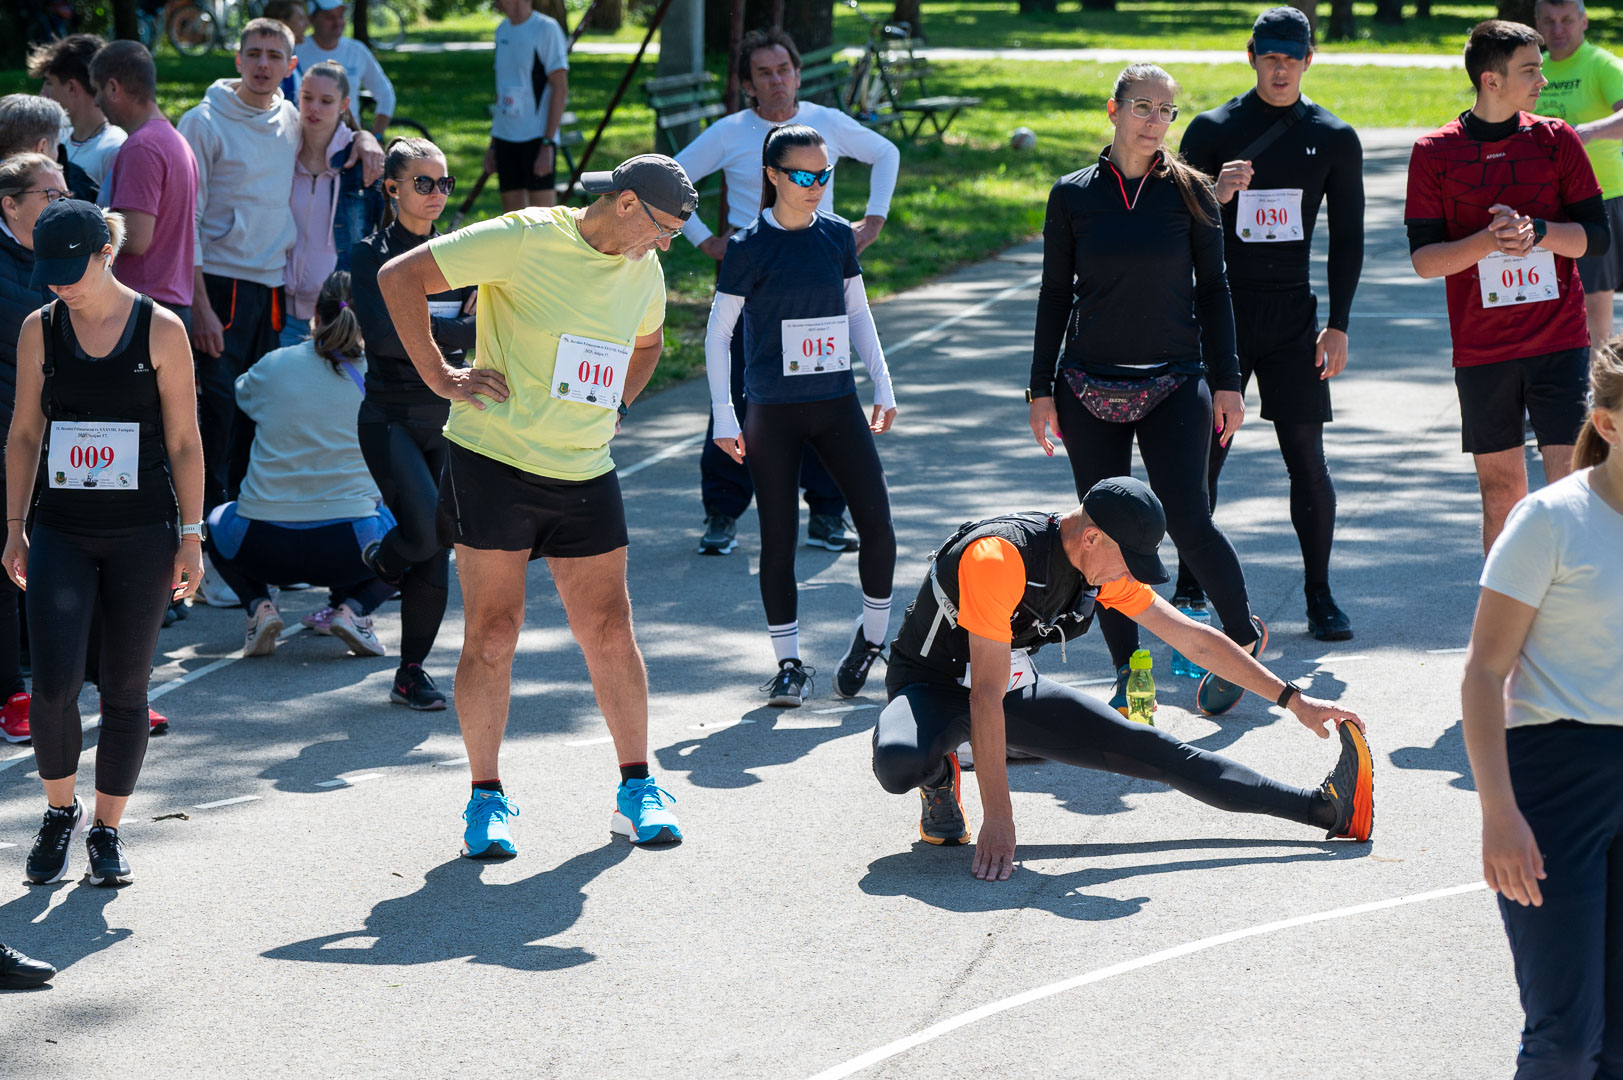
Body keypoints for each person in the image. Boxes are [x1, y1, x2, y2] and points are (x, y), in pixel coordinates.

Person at [378, 154, 696, 854]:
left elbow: (647, 346)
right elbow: (399, 276)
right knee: (494, 632)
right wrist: (440, 375)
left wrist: (618, 403)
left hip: (583, 467)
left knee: (609, 629)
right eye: (662, 227)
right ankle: (485, 798)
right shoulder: (524, 235)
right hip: (494, 463)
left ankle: (638, 788)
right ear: (624, 203)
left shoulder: (643, 269)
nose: (665, 244)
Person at [871, 477, 1373, 882]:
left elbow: (1193, 639)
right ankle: (939, 776)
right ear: (1091, 537)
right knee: (898, 763)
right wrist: (999, 819)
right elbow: (982, 697)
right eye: (1127, 562)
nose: (1127, 575)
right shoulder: (998, 558)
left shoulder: (1095, 565)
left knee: (1157, 751)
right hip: (930, 687)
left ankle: (1324, 810)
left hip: (1009, 688)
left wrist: (1295, 700)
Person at [1029, 63, 1267, 719]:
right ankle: (1128, 673)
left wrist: (1227, 382)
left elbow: (1215, 292)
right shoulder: (1071, 195)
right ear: (1113, 110)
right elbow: (1053, 295)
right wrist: (1040, 388)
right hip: (1087, 386)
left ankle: (1242, 640)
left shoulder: (1193, 193)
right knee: (1102, 533)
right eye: (1142, 107)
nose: (1154, 122)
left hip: (1174, 380)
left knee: (1187, 517)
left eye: (1166, 111)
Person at [5, 200, 205, 888]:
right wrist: (14, 528)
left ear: (105, 254)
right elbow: (24, 433)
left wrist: (191, 536)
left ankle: (107, 829)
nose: (59, 284)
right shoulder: (40, 328)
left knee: (124, 689)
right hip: (61, 529)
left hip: (143, 532)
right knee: (54, 687)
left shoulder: (162, 328)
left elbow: (185, 441)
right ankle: (59, 812)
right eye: (49, 272)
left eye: (72, 270)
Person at [676, 27, 901, 558]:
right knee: (740, 388)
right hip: (753, 278)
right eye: (764, 73)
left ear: (798, 75)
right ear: (748, 85)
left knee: (824, 392)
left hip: (818, 275)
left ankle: (826, 513)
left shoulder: (827, 122)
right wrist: (704, 238)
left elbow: (886, 152)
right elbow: (673, 177)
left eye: (784, 70)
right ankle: (723, 511)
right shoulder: (730, 131)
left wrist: (873, 220)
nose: (776, 80)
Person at [1461, 342, 1623, 1078]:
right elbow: (1483, 673)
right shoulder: (1550, 520)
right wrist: (1498, 813)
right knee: (1565, 1038)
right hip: (1558, 777)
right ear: (1607, 424)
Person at [1179, 7, 1365, 642]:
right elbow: (1171, 223)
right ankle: (1189, 583)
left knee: (1306, 457)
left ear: (1309, 59)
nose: (1280, 69)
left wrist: (1338, 323)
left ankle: (1320, 592)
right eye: (1269, 58)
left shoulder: (1333, 137)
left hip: (1293, 318)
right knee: (1205, 453)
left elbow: (1348, 237)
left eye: (1291, 58)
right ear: (1251, 56)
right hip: (1221, 313)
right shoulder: (1213, 129)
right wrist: (1212, 191)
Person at [706, 124, 898, 707]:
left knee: (878, 527)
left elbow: (858, 314)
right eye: (802, 175)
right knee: (779, 540)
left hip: (836, 402)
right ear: (772, 175)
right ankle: (789, 665)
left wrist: (883, 383)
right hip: (772, 411)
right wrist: (725, 416)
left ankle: (871, 641)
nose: (816, 185)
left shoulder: (836, 235)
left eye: (824, 174)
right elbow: (718, 336)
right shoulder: (747, 247)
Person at [1406, 20, 1609, 554]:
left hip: (1559, 343)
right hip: (1483, 351)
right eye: (1530, 70)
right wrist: (1489, 241)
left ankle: (1572, 601)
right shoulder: (1433, 152)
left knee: (1571, 488)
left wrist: (1538, 230)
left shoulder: (1556, 139)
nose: (1543, 80)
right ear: (1491, 80)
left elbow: (1597, 239)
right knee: (1502, 496)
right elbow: (1425, 261)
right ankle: (1505, 603)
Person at [178, 18, 380, 552]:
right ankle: (205, 543)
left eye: (274, 56)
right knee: (218, 414)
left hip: (270, 289)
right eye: (254, 53)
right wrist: (199, 304)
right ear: (238, 59)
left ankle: (252, 538)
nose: (263, 64)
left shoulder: (290, 117)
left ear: (289, 66)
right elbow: (187, 219)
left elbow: (338, 124)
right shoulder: (202, 122)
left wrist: (366, 136)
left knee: (260, 420)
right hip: (220, 284)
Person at [207, 270, 397, 659]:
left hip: (262, 543)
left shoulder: (275, 363)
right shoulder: (380, 376)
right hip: (349, 546)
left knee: (213, 521)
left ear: (315, 313)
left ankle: (258, 606)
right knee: (416, 535)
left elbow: (243, 396)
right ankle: (354, 610)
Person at [350, 136, 473, 710]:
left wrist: (424, 326)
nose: (436, 193)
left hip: (447, 418)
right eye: (423, 182)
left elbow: (483, 329)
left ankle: (411, 672)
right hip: (390, 417)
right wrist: (449, 329)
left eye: (444, 182)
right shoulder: (370, 254)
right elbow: (383, 338)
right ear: (392, 188)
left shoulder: (459, 253)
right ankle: (382, 561)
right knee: (423, 534)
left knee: (437, 543)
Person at [0, 154, 63, 746]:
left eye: (66, 194)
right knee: (8, 559)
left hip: (70, 441)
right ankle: (11, 694)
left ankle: (107, 686)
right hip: (10, 439)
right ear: (10, 205)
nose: (61, 204)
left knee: (71, 557)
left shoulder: (73, 258)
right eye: (49, 195)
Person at [90, 40, 200, 333]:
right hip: (167, 308)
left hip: (142, 310)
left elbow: (135, 237)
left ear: (113, 87)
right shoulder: (174, 140)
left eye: (97, 90)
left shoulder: (142, 147)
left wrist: (80, 225)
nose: (96, 101)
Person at [1533, 0, 1623, 344]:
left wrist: (1586, 132)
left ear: (1584, 22)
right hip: (1545, 205)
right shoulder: (1533, 68)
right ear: (1537, 24)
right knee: (1548, 304)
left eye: (1567, 20)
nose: (1558, 29)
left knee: (1594, 313)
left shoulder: (1601, 64)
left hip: (1598, 200)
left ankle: (1599, 376)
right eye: (1549, 21)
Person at [282, 60, 381, 346]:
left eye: (326, 101)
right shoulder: (281, 151)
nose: (314, 108)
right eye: (307, 98)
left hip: (338, 313)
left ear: (344, 105)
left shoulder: (362, 164)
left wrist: (365, 138)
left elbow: (388, 235)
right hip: (280, 308)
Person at [485, 0, 569, 213]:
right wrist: (493, 145)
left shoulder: (546, 28)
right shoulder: (501, 30)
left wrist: (547, 143)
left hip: (536, 138)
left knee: (543, 221)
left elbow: (560, 89)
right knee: (513, 221)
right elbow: (502, 90)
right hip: (505, 138)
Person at [27, 35, 126, 207]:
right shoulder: (58, 138)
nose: (42, 93)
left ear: (72, 87)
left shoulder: (114, 147)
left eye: (49, 83)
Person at [296, 0, 395, 138]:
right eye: (330, 17)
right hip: (304, 141)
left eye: (340, 16)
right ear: (311, 19)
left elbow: (385, 94)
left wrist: (377, 136)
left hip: (348, 141)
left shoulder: (357, 50)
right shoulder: (296, 50)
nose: (337, 22)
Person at [261, 0, 309, 103]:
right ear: (282, 24)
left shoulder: (290, 56)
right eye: (301, 18)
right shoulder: (269, 65)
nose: (307, 24)